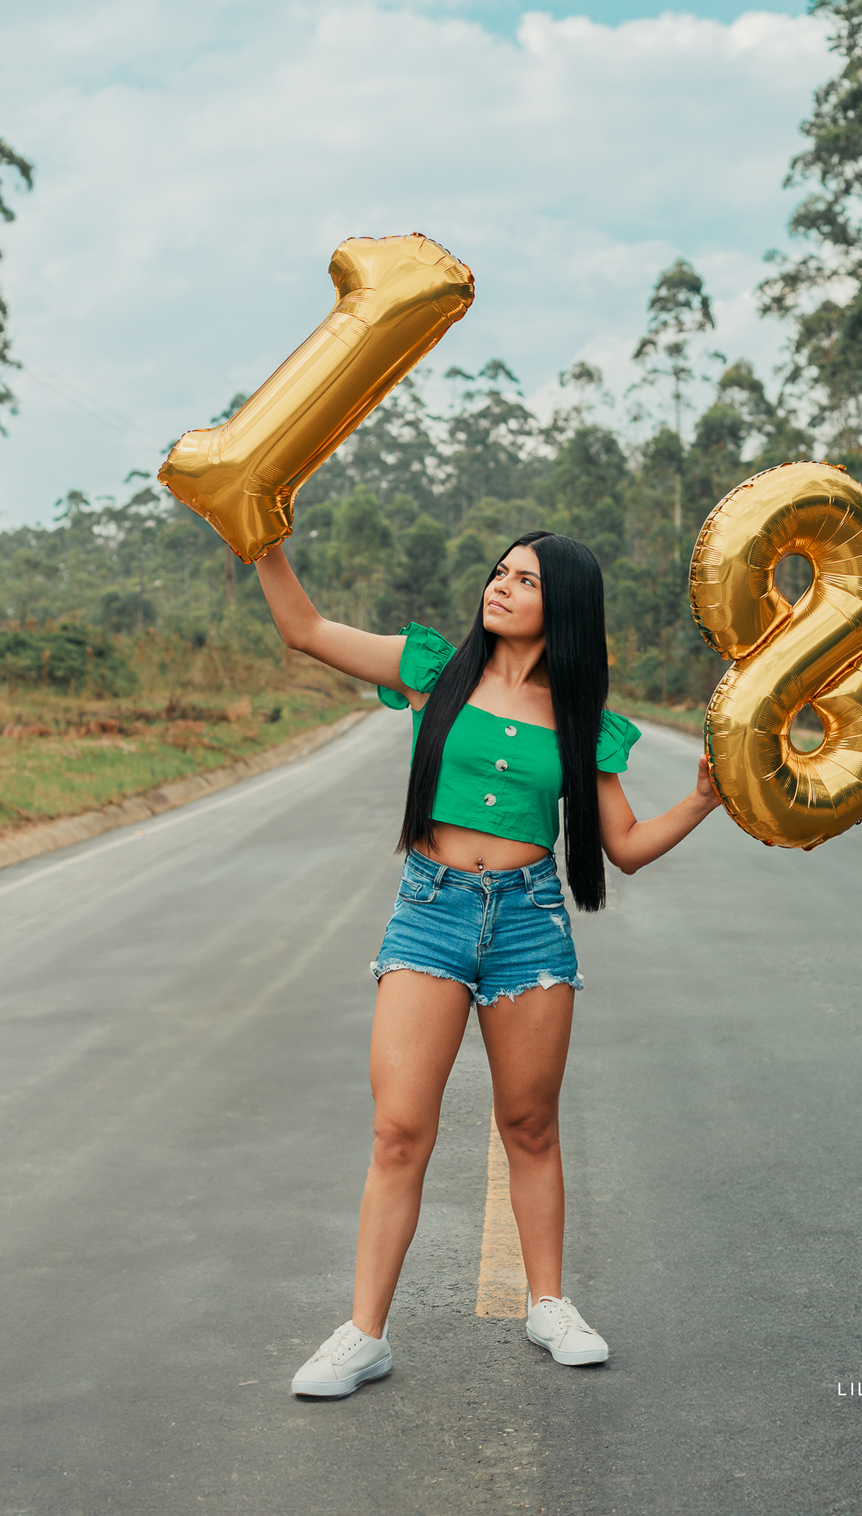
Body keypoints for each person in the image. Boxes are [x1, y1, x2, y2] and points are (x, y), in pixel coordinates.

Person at [254, 529, 722, 1398]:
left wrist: (699, 799)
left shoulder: (583, 719)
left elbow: (622, 846)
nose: (501, 586)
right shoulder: (434, 668)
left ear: (565, 605)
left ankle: (548, 1303)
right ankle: (364, 1333)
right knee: (399, 1131)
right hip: (430, 915)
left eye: (526, 579)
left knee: (531, 1127)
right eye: (499, 572)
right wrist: (264, 542)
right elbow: (305, 628)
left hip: (532, 921)